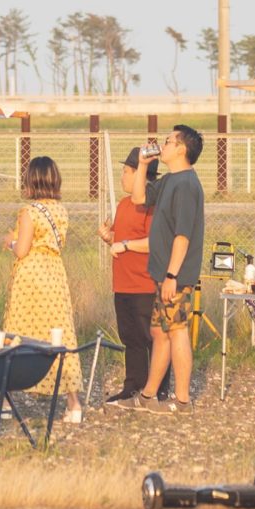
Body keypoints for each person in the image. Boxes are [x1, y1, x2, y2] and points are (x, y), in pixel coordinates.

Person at [2, 154, 83, 423]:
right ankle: (73, 404)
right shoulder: (61, 211)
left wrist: (10, 243)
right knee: (60, 336)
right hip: (55, 275)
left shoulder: (29, 212)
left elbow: (23, 250)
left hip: (32, 277)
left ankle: (7, 397)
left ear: (31, 182)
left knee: (18, 333)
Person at [137, 123, 205, 409]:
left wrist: (172, 275)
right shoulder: (169, 181)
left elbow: (183, 235)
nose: (162, 145)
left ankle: (183, 399)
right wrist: (142, 165)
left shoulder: (187, 184)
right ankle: (148, 395)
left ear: (181, 148)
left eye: (168, 141)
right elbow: (139, 198)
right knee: (160, 331)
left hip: (174, 276)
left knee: (176, 330)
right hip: (163, 274)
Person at [98, 145, 157, 404]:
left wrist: (124, 245)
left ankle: (156, 388)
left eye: (126, 171)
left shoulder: (151, 206)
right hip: (121, 284)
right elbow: (122, 239)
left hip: (143, 284)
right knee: (130, 338)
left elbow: (154, 242)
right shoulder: (123, 204)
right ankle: (132, 385)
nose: (122, 177)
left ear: (139, 176)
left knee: (150, 339)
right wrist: (109, 237)